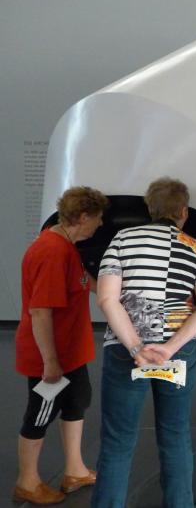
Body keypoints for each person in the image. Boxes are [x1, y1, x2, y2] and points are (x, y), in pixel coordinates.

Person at [92, 177, 196, 508]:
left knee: (118, 440)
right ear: (183, 211)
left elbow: (107, 299)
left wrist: (136, 347)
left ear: (150, 208)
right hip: (178, 350)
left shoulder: (122, 239)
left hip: (125, 350)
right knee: (175, 435)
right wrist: (169, 349)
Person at [14, 186, 108, 505]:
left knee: (77, 401)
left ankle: (75, 470)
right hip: (50, 354)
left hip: (71, 350)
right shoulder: (52, 252)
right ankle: (27, 482)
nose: (100, 224)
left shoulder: (66, 246)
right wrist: (50, 362)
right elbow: (40, 311)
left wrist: (115, 293)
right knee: (40, 413)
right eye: (97, 218)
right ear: (83, 217)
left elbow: (83, 281)